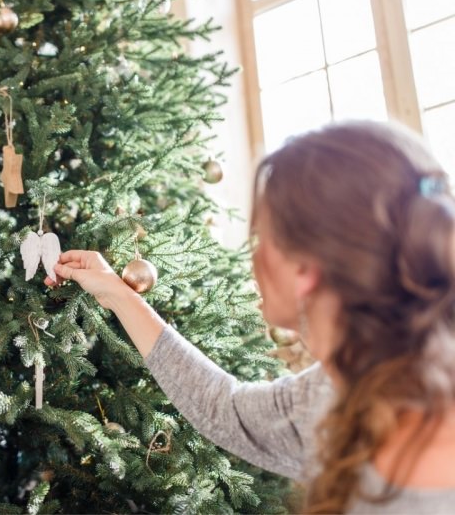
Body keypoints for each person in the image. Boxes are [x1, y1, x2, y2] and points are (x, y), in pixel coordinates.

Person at [45, 120, 455, 513]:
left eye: (261, 238)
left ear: (305, 271)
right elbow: (228, 410)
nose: (252, 255)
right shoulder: (338, 387)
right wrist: (119, 295)